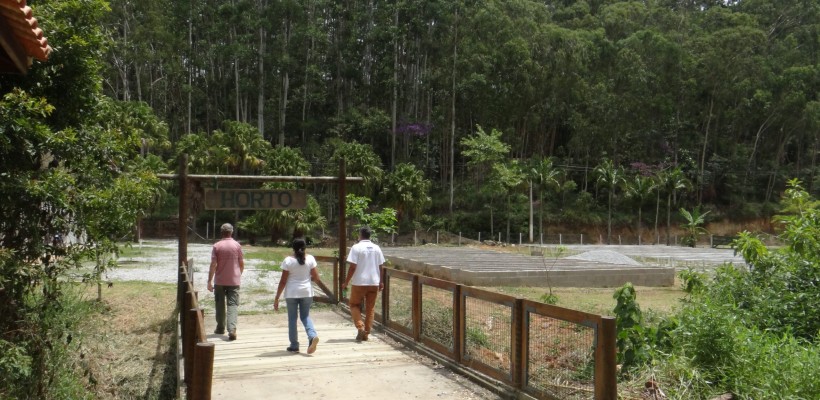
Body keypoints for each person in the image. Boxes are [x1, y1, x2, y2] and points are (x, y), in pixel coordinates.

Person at [274, 238, 322, 354]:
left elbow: (283, 281)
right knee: (305, 316)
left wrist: (277, 298)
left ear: (293, 248)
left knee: (292, 319)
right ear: (305, 247)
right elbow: (316, 278)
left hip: (292, 293)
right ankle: (312, 335)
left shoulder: (288, 261)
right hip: (306, 292)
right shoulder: (310, 259)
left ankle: (294, 345)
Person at [341, 226, 385, 341]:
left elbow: (352, 267)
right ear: (370, 235)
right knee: (370, 308)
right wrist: (381, 281)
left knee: (354, 304)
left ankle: (360, 326)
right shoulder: (377, 248)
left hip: (359, 282)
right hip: (374, 282)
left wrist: (346, 282)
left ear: (360, 235)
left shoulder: (356, 247)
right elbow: (381, 267)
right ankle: (366, 334)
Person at [207, 223, 244, 341]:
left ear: (221, 232)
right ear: (231, 232)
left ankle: (220, 327)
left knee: (219, 304)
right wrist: (238, 274)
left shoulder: (217, 246)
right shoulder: (237, 245)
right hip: (234, 280)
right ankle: (232, 329)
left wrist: (209, 281)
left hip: (220, 280)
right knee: (232, 304)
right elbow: (241, 263)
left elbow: (213, 264)